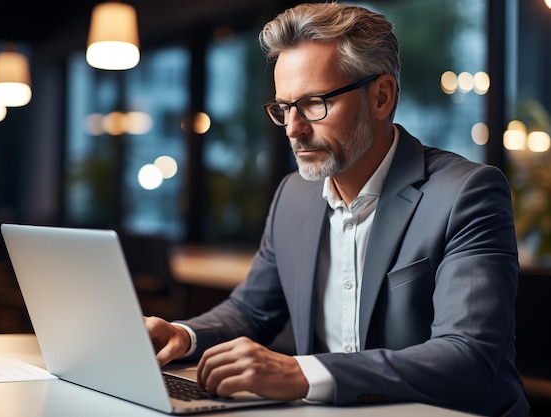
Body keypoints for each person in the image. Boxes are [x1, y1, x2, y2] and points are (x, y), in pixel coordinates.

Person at [145, 3, 529, 416]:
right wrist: (184, 335)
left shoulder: (467, 193)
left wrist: (303, 374)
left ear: (381, 97)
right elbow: (252, 309)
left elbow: (467, 356)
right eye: (284, 108)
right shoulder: (294, 195)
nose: (293, 128)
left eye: (313, 103)